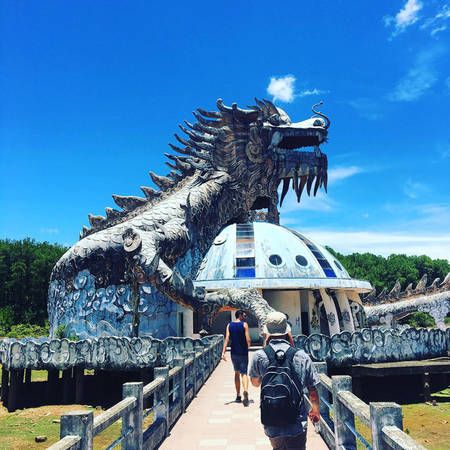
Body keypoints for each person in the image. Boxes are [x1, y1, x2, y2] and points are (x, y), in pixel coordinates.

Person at [249, 311, 320, 450]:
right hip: (296, 421)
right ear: (287, 331)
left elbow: (255, 383)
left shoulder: (259, 355)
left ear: (267, 332)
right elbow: (312, 390)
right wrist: (315, 411)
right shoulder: (301, 356)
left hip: (271, 420)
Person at [221, 309, 251, 406]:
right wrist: (247, 347)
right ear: (240, 315)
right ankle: (245, 391)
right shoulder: (244, 325)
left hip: (234, 352)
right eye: (244, 316)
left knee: (236, 373)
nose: (245, 317)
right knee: (244, 373)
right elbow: (248, 339)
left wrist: (223, 352)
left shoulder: (229, 325)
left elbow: (227, 339)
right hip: (243, 352)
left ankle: (238, 395)